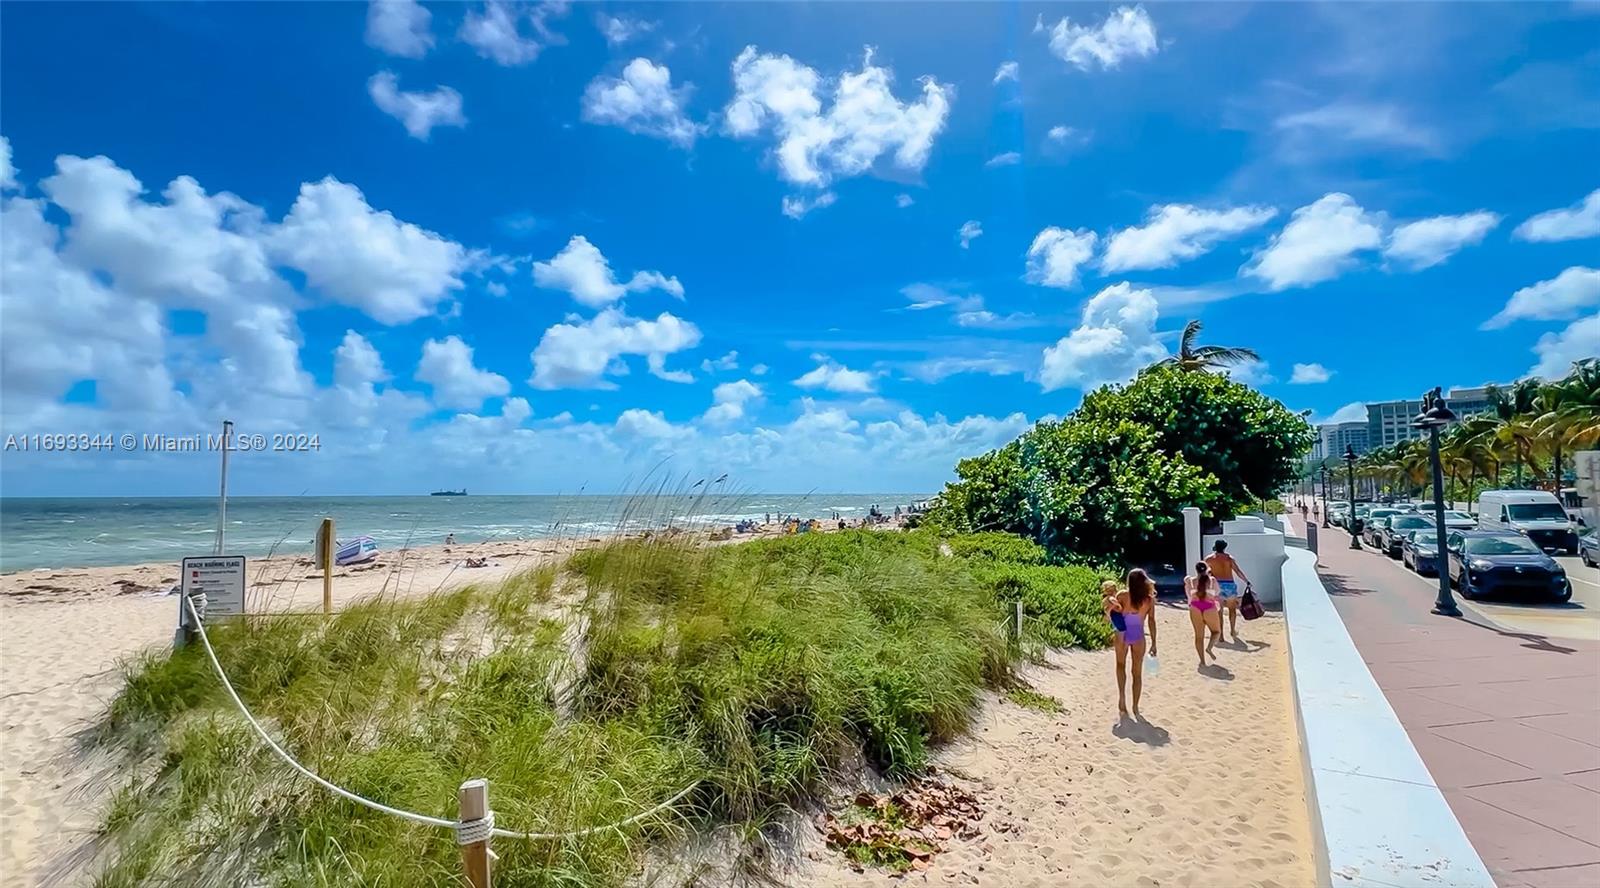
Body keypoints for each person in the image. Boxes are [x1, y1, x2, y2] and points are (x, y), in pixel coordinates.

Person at [1104, 570, 1157, 717]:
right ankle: (1135, 706)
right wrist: (1154, 643)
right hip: (1137, 631)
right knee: (1137, 673)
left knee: (1120, 665)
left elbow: (1112, 614)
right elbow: (1152, 621)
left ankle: (1122, 697)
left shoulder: (1122, 595)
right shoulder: (1149, 599)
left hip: (1122, 631)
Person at [1205, 540, 1252, 641]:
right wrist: (1246, 581)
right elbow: (1238, 571)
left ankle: (1221, 635)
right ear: (1224, 548)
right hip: (1230, 585)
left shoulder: (1209, 559)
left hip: (1218, 586)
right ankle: (1232, 630)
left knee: (1219, 612)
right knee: (1232, 610)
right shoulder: (1229, 558)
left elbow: (1205, 573)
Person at [1186, 561, 1223, 665]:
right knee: (1216, 632)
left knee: (1199, 636)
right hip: (1209, 607)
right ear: (1207, 569)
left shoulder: (1191, 581)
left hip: (1195, 607)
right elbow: (1216, 593)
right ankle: (1209, 648)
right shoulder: (1212, 580)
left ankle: (1202, 661)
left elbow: (1189, 594)